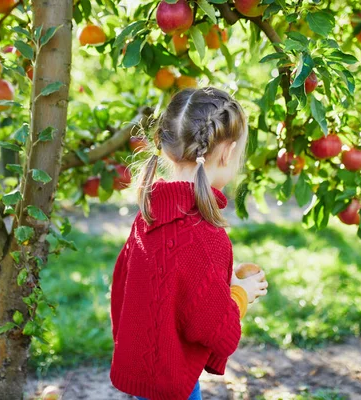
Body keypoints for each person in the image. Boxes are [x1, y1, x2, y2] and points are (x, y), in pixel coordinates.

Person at [109, 87, 269, 400]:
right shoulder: (204, 235)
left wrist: (217, 278)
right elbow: (215, 330)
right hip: (172, 384)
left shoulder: (149, 215)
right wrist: (240, 294)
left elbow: (154, 282)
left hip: (149, 370)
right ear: (227, 153)